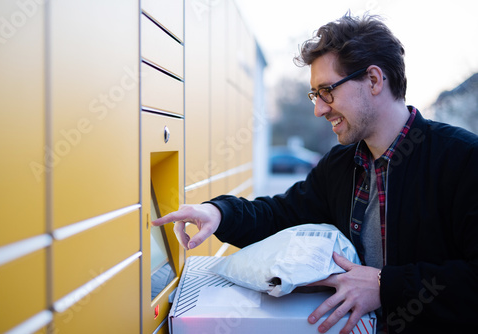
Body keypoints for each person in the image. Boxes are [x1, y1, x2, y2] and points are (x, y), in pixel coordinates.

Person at [153, 13, 478, 334]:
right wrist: (218, 212)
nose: (319, 108)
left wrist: (384, 285)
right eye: (315, 94)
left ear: (375, 80)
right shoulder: (340, 165)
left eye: (327, 91)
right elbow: (279, 214)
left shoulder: (463, 159)